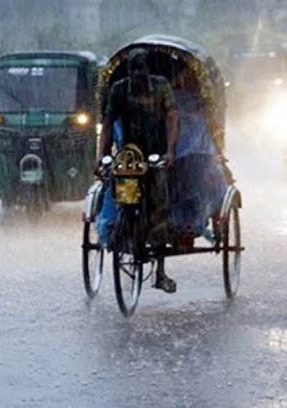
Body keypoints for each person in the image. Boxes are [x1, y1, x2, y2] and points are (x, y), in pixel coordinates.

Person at [98, 48, 180, 293]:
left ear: (148, 72)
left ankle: (161, 272)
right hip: (130, 154)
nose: (139, 79)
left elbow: (174, 117)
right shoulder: (119, 90)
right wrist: (101, 155)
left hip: (156, 153)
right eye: (135, 74)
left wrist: (171, 151)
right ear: (130, 73)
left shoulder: (162, 86)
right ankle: (121, 228)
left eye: (142, 74)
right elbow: (108, 122)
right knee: (117, 190)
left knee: (159, 203)